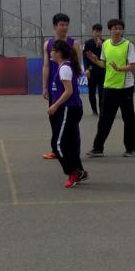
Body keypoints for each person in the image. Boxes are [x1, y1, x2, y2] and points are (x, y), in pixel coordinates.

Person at [85, 19, 135, 157]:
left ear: (122, 30)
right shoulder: (106, 44)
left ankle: (130, 148)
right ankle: (98, 148)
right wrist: (95, 60)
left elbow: (132, 65)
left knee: (129, 119)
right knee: (104, 119)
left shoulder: (128, 45)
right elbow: (104, 64)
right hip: (109, 86)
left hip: (125, 87)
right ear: (110, 30)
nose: (117, 31)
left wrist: (120, 69)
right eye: (114, 28)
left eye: (120, 28)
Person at [48, 40, 88, 188]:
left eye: (53, 50)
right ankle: (80, 171)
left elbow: (68, 91)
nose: (51, 52)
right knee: (70, 143)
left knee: (57, 143)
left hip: (68, 109)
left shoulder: (65, 68)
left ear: (58, 53)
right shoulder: (64, 67)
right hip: (71, 108)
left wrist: (55, 105)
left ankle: (72, 171)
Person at [42, 13, 82, 160]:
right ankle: (56, 150)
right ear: (55, 26)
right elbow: (46, 66)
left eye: (66, 24)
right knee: (54, 118)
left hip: (67, 87)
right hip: (54, 88)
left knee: (71, 121)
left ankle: (74, 151)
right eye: (61, 25)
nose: (64, 27)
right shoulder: (48, 45)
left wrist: (75, 84)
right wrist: (44, 87)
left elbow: (77, 66)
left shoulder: (74, 44)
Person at [83, 24, 105, 116]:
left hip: (102, 70)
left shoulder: (105, 43)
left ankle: (102, 110)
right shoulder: (88, 43)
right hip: (91, 71)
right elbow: (85, 57)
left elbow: (107, 56)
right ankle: (94, 110)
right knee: (91, 92)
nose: (98, 34)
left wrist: (101, 46)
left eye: (100, 32)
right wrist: (86, 69)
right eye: (96, 31)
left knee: (101, 92)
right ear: (92, 32)